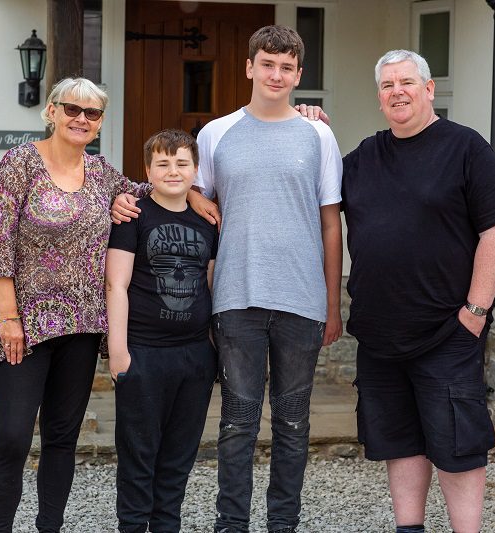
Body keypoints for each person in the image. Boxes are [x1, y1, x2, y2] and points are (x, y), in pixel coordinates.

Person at [341, 50, 495, 533]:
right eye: (387, 85)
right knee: (399, 439)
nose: (396, 92)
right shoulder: (363, 156)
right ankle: (410, 529)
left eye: (406, 82)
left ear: (428, 89)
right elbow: (311, 191)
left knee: (458, 443)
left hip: (447, 330)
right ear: (379, 97)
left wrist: (476, 312)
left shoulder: (465, 148)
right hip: (379, 335)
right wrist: (308, 123)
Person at [0, 77, 151, 533]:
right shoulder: (20, 164)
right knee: (13, 438)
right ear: (51, 111)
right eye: (72, 109)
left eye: (91, 113)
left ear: (99, 123)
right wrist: (9, 319)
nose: (81, 119)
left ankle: (48, 526)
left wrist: (191, 192)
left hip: (81, 324)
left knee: (61, 438)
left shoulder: (101, 173)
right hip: (23, 325)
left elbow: (150, 191)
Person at [196, 25, 342, 533]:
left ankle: (284, 523)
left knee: (293, 422)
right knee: (236, 422)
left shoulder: (319, 134)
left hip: (301, 299)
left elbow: (330, 222)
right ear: (249, 67)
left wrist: (332, 302)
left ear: (299, 74)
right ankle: (230, 524)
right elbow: (197, 204)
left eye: (287, 67)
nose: (276, 75)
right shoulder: (215, 133)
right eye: (268, 64)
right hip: (236, 296)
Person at [105, 129, 219, 533]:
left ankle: (167, 525)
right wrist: (118, 351)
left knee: (178, 457)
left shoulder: (207, 221)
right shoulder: (133, 216)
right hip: (144, 352)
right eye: (163, 163)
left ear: (195, 169)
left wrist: (210, 347)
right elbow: (116, 284)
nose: (173, 171)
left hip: (194, 356)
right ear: (147, 170)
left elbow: (208, 283)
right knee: (139, 455)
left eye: (182, 163)